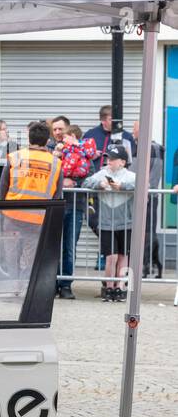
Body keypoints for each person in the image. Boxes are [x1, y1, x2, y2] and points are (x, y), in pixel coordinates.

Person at [0, 121, 61, 284]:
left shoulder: (16, 157)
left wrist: (1, 207)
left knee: (11, 254)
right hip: (38, 218)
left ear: (29, 138)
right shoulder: (55, 163)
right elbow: (58, 194)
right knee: (30, 257)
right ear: (47, 140)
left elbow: (4, 185)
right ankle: (24, 290)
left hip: (12, 214)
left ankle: (13, 287)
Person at [82, 144, 137, 301]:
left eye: (113, 159)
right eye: (108, 159)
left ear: (122, 162)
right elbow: (85, 183)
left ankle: (121, 287)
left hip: (126, 222)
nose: (109, 162)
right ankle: (108, 287)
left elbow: (144, 185)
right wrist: (99, 184)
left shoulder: (130, 176)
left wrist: (122, 187)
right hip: (106, 223)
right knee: (110, 257)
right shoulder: (102, 174)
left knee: (123, 256)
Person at [55, 123, 94, 297]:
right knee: (52, 246)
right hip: (55, 204)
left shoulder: (84, 154)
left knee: (69, 246)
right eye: (56, 131)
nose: (59, 135)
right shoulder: (53, 151)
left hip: (75, 205)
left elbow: (91, 177)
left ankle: (65, 285)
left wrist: (75, 183)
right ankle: (50, 283)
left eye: (62, 132)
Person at [131, 119, 165, 279]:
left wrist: (145, 193)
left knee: (147, 232)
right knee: (144, 232)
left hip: (147, 197)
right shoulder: (141, 147)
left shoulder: (152, 148)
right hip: (141, 196)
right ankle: (147, 265)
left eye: (135, 129)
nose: (132, 132)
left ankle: (146, 265)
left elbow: (152, 175)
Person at [83, 105, 136, 172]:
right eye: (111, 119)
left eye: (116, 119)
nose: (115, 122)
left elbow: (132, 161)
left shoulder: (127, 137)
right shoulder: (90, 135)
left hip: (118, 179)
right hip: (95, 178)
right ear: (103, 120)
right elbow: (81, 158)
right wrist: (91, 156)